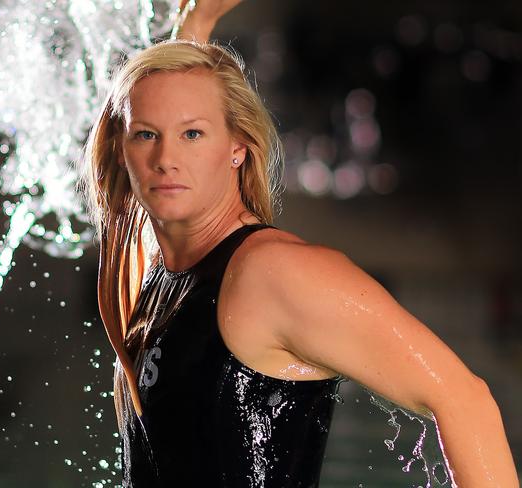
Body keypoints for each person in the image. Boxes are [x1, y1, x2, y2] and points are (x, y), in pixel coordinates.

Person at [78, 1, 519, 486]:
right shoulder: (166, 269)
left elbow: (464, 399)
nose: (166, 159)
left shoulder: (274, 273)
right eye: (146, 135)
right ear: (121, 150)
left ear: (237, 149)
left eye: (193, 134)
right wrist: (196, 28)